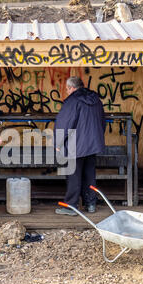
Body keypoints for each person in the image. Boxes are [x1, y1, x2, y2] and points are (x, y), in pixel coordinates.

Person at [54, 76, 106, 215]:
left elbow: (64, 123)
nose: (67, 92)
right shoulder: (96, 100)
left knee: (74, 175)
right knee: (89, 175)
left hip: (76, 145)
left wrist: (58, 143)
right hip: (93, 144)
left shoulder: (72, 101)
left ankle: (71, 206)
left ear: (72, 88)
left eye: (67, 89)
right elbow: (102, 121)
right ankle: (91, 204)